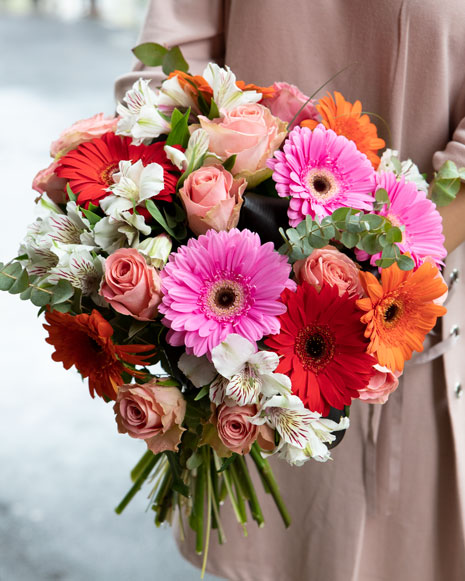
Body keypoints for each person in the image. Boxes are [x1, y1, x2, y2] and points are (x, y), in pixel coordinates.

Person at [115, 1, 465, 579]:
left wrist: (375, 278)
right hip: (237, 336)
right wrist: (179, 221)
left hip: (405, 319)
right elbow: (163, 73)